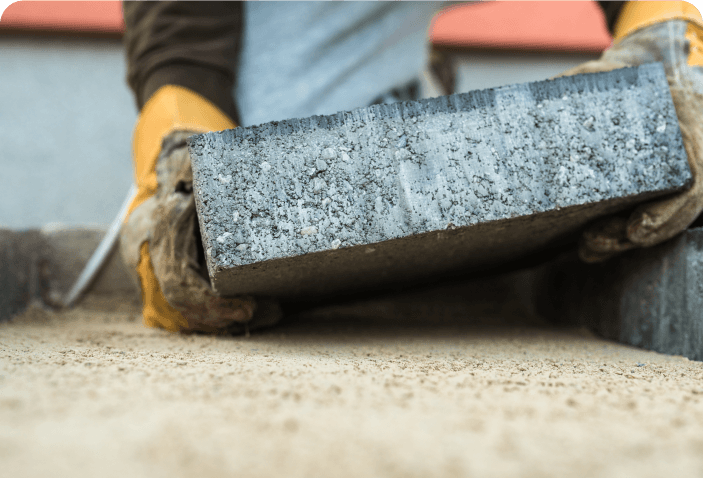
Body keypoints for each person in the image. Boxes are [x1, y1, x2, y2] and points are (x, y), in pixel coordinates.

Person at [118, 0, 703, 333]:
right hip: (264, 140)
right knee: (254, 203)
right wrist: (177, 168)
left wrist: (678, 48)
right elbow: (178, 41)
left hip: (384, 123)